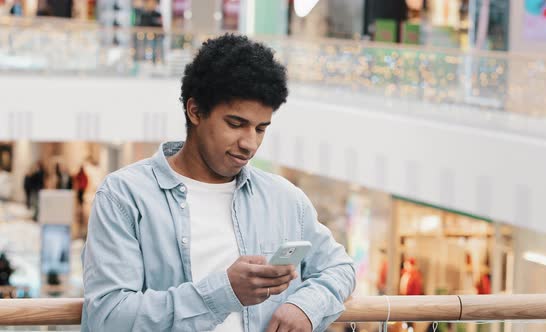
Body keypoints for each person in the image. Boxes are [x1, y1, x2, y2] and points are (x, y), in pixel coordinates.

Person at [82, 34, 355, 332]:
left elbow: (340, 267)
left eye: (261, 129)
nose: (250, 144)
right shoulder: (125, 196)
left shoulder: (284, 200)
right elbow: (107, 318)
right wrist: (224, 292)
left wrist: (305, 306)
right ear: (195, 111)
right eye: (236, 124)